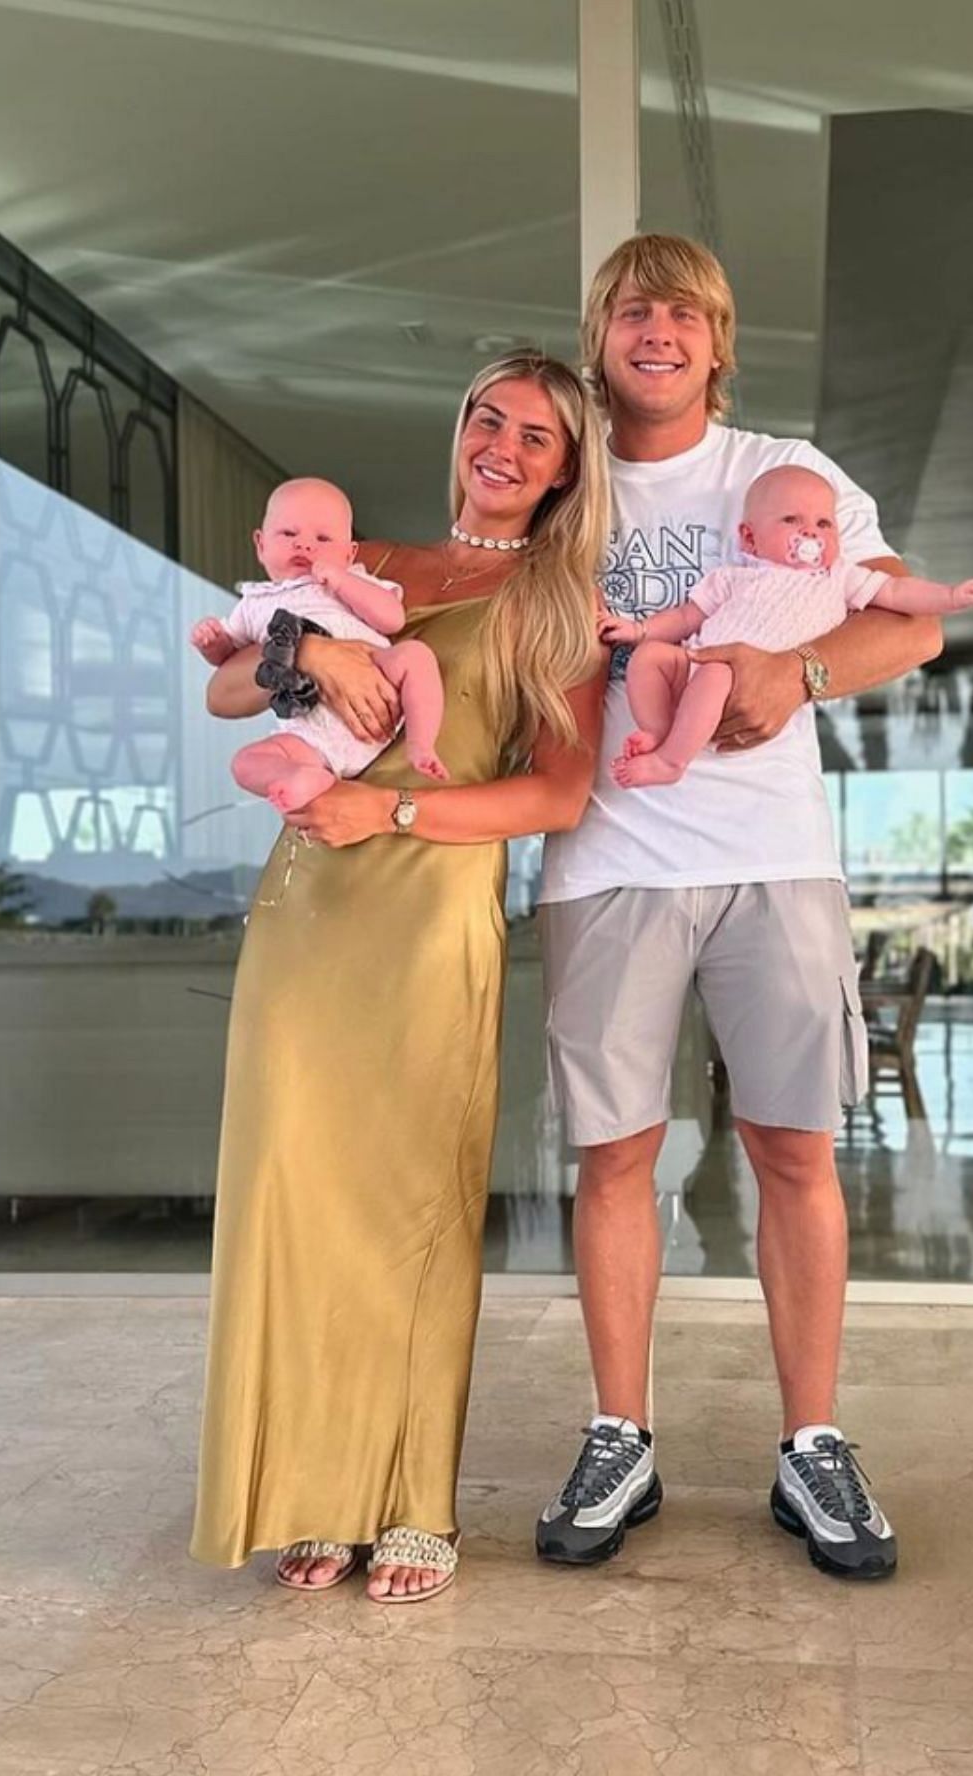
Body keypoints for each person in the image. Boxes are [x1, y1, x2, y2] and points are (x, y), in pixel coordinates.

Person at [535, 235, 943, 1583]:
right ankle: (620, 1435)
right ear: (601, 337)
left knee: (792, 1154)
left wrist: (800, 673)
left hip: (775, 858)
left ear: (719, 341)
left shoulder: (787, 473)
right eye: (632, 311)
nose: (656, 331)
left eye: (683, 314)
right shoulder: (562, 483)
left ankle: (812, 1445)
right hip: (603, 863)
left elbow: (908, 624)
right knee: (613, 1159)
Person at [190, 350, 609, 1603]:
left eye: (537, 435)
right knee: (292, 1191)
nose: (505, 445)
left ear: (566, 470)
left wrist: (399, 818)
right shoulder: (351, 564)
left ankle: (411, 1498)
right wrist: (309, 659)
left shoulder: (556, 602)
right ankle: (316, 1491)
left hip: (430, 912)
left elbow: (560, 790)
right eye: (489, 417)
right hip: (304, 915)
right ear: (460, 429)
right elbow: (223, 684)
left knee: (412, 1202)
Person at [602, 462, 973, 788]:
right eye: (792, 520)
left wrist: (950, 595)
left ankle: (671, 761)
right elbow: (686, 616)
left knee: (716, 675)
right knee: (649, 658)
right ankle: (656, 729)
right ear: (750, 538)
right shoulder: (734, 577)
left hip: (736, 677)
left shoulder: (840, 579)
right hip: (693, 663)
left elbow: (897, 592)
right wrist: (639, 632)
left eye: (825, 524)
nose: (811, 533)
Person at [189, 476, 449, 813]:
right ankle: (308, 777)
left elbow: (392, 619)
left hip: (380, 698)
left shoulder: (356, 580)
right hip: (309, 738)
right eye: (288, 534)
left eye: (323, 538)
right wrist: (213, 643)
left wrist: (344, 582)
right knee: (245, 763)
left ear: (349, 552)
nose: (305, 546)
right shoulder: (253, 603)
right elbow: (230, 663)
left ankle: (421, 743)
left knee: (415, 656)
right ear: (260, 544)